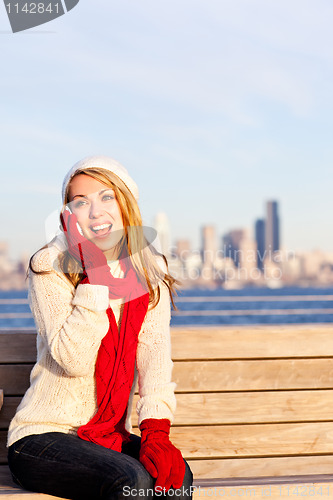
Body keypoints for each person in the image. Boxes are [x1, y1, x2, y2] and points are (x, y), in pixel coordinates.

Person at [7, 156, 193, 499]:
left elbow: (154, 361)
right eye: (81, 202)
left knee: (176, 479)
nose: (95, 211)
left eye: (106, 197)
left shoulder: (150, 272)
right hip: (41, 437)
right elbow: (72, 359)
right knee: (131, 480)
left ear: (125, 204)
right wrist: (95, 275)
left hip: (107, 436)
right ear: (69, 215)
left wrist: (156, 435)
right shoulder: (50, 265)